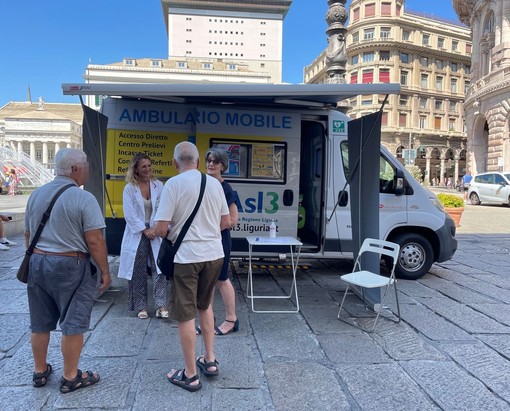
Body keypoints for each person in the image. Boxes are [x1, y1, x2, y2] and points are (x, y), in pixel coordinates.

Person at [24, 148, 111, 394]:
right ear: (74, 169)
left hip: (38, 262)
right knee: (73, 322)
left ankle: (40, 371)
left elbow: (28, 235)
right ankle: (71, 376)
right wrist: (105, 271)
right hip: (71, 265)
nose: (88, 169)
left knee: (39, 322)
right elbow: (94, 240)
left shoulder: (36, 194)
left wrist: (33, 261)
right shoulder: (84, 198)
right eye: (85, 165)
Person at [154, 141, 230, 392]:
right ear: (197, 162)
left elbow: (161, 229)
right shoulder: (214, 184)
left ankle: (190, 375)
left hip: (186, 258)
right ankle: (209, 360)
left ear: (175, 163)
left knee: (186, 316)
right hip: (214, 254)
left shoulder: (172, 185)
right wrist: (205, 232)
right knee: (205, 305)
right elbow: (226, 220)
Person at [118, 153, 167, 319]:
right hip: (138, 233)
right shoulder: (129, 188)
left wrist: (155, 229)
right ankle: (141, 307)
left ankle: (161, 305)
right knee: (137, 271)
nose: (148, 169)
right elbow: (129, 214)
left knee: (159, 269)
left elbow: (163, 208)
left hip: (156, 231)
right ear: (136, 170)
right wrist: (145, 230)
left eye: (149, 165)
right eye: (143, 166)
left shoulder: (158, 185)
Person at [201, 147, 239, 336]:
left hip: (219, 240)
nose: (210, 164)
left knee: (222, 279)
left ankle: (231, 319)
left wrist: (212, 226)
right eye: (208, 160)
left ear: (223, 165)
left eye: (215, 161)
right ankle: (209, 321)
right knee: (208, 280)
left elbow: (233, 219)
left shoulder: (225, 188)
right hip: (206, 240)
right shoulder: (205, 184)